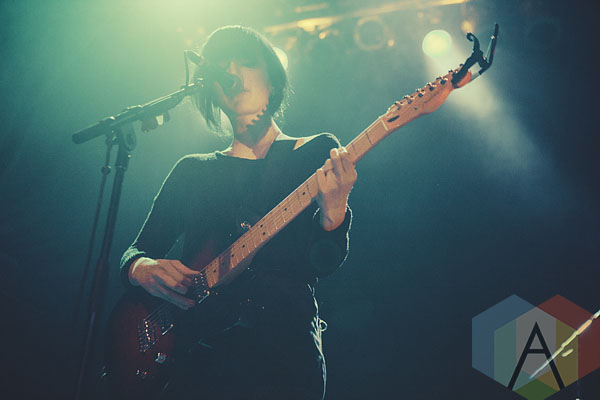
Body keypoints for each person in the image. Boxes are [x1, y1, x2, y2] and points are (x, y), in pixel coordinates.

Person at [119, 25, 357, 400]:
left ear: (273, 81)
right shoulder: (192, 171)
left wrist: (335, 211)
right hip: (197, 359)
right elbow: (136, 250)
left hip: (283, 357)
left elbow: (323, 264)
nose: (233, 72)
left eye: (246, 62)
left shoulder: (314, 151)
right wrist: (140, 269)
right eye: (222, 66)